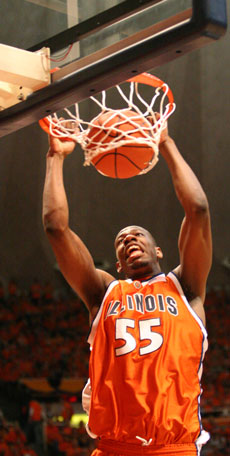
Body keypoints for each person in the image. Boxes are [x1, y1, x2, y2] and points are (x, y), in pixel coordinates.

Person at [42, 115, 212, 456]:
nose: (129, 238)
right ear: (117, 263)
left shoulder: (185, 286)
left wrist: (165, 143)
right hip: (114, 446)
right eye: (121, 239)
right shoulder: (104, 291)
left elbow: (198, 210)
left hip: (173, 447)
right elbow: (55, 228)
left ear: (158, 249)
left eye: (138, 235)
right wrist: (56, 158)